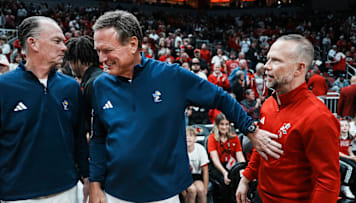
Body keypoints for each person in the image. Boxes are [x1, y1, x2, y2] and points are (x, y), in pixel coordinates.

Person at [89, 10, 282, 203]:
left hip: (163, 195)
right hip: (115, 194)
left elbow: (220, 97)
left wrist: (251, 130)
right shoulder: (100, 85)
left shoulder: (171, 76)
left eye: (107, 51)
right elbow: (99, 138)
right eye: (98, 51)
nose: (101, 59)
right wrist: (95, 184)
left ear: (132, 44)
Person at [236, 34, 340, 203]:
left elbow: (327, 183)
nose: (267, 66)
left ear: (299, 69)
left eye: (276, 61)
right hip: (261, 197)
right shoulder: (269, 104)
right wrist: (246, 177)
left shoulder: (318, 117)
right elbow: (261, 146)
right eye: (268, 59)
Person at [0, 16, 89, 202]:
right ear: (33, 43)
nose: (64, 48)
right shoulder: (4, 87)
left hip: (67, 190)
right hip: (17, 195)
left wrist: (88, 179)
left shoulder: (71, 87)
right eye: (57, 41)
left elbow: (80, 139)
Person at [64, 35, 103, 136]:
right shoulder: (103, 77)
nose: (69, 66)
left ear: (77, 60)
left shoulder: (92, 84)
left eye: (70, 61)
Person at [207, 113, 245, 203]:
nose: (224, 127)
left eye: (226, 124)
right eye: (222, 124)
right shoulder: (212, 138)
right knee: (226, 181)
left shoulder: (234, 137)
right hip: (217, 166)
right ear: (217, 125)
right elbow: (215, 159)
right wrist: (224, 173)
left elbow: (240, 156)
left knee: (239, 177)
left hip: (231, 165)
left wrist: (244, 169)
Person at [181, 126, 209, 203]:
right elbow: (178, 173)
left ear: (195, 139)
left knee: (201, 190)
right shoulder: (180, 150)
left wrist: (205, 188)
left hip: (196, 176)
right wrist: (182, 191)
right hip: (184, 177)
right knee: (192, 190)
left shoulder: (200, 149)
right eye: (186, 136)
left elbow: (205, 171)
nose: (188, 138)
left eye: (191, 135)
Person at [339, 119, 356, 200]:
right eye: (342, 126)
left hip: (346, 156)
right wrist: (350, 158)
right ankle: (345, 186)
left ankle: (352, 186)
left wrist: (353, 157)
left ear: (349, 127)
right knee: (349, 168)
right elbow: (337, 152)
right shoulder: (337, 136)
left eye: (346, 125)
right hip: (338, 157)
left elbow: (349, 149)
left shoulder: (349, 135)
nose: (344, 127)